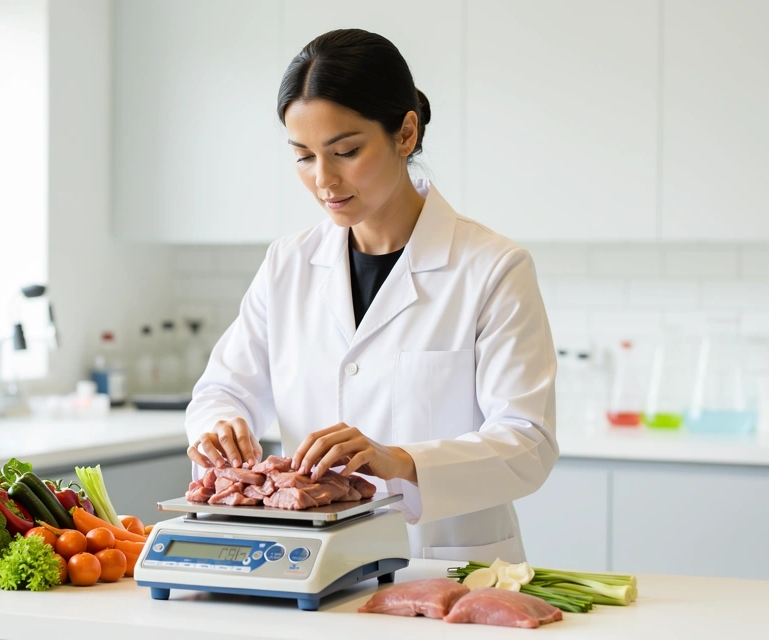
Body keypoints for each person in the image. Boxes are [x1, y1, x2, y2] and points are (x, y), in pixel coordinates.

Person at [185, 28, 558, 562]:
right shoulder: (287, 264)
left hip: (448, 565)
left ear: (406, 134)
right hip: (311, 560)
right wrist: (221, 427)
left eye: (346, 151)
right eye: (304, 156)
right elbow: (223, 390)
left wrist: (401, 460)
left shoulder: (492, 267)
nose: (324, 180)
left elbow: (528, 444)